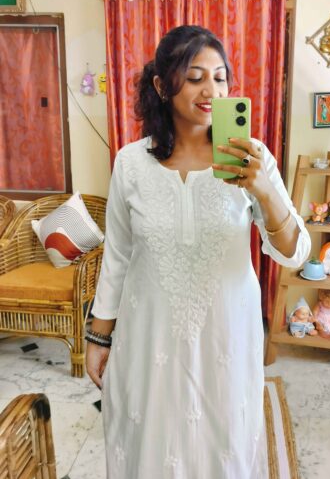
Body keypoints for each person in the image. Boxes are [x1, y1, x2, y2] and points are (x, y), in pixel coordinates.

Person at [85, 25, 311, 478]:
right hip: (149, 336)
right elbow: (118, 256)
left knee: (222, 442)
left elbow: (295, 253)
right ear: (161, 85)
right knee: (150, 442)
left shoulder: (252, 157)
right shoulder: (131, 163)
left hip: (226, 335)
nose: (212, 90)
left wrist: (265, 191)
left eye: (220, 77)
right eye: (195, 77)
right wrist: (98, 336)